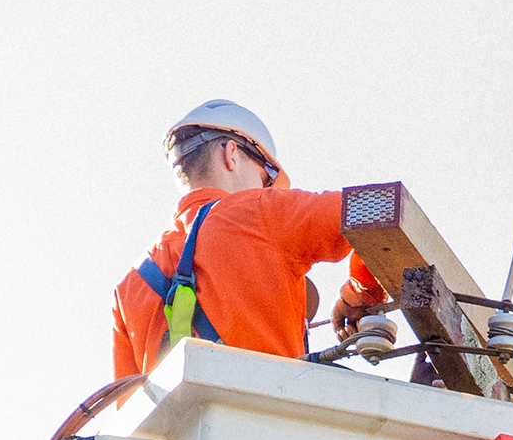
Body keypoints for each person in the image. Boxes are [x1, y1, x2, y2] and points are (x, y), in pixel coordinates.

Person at [111, 99, 390, 380]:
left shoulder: (128, 288)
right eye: (267, 175)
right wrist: (362, 294)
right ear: (230, 153)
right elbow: (380, 209)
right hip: (270, 418)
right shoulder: (261, 211)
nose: (266, 187)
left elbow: (129, 408)